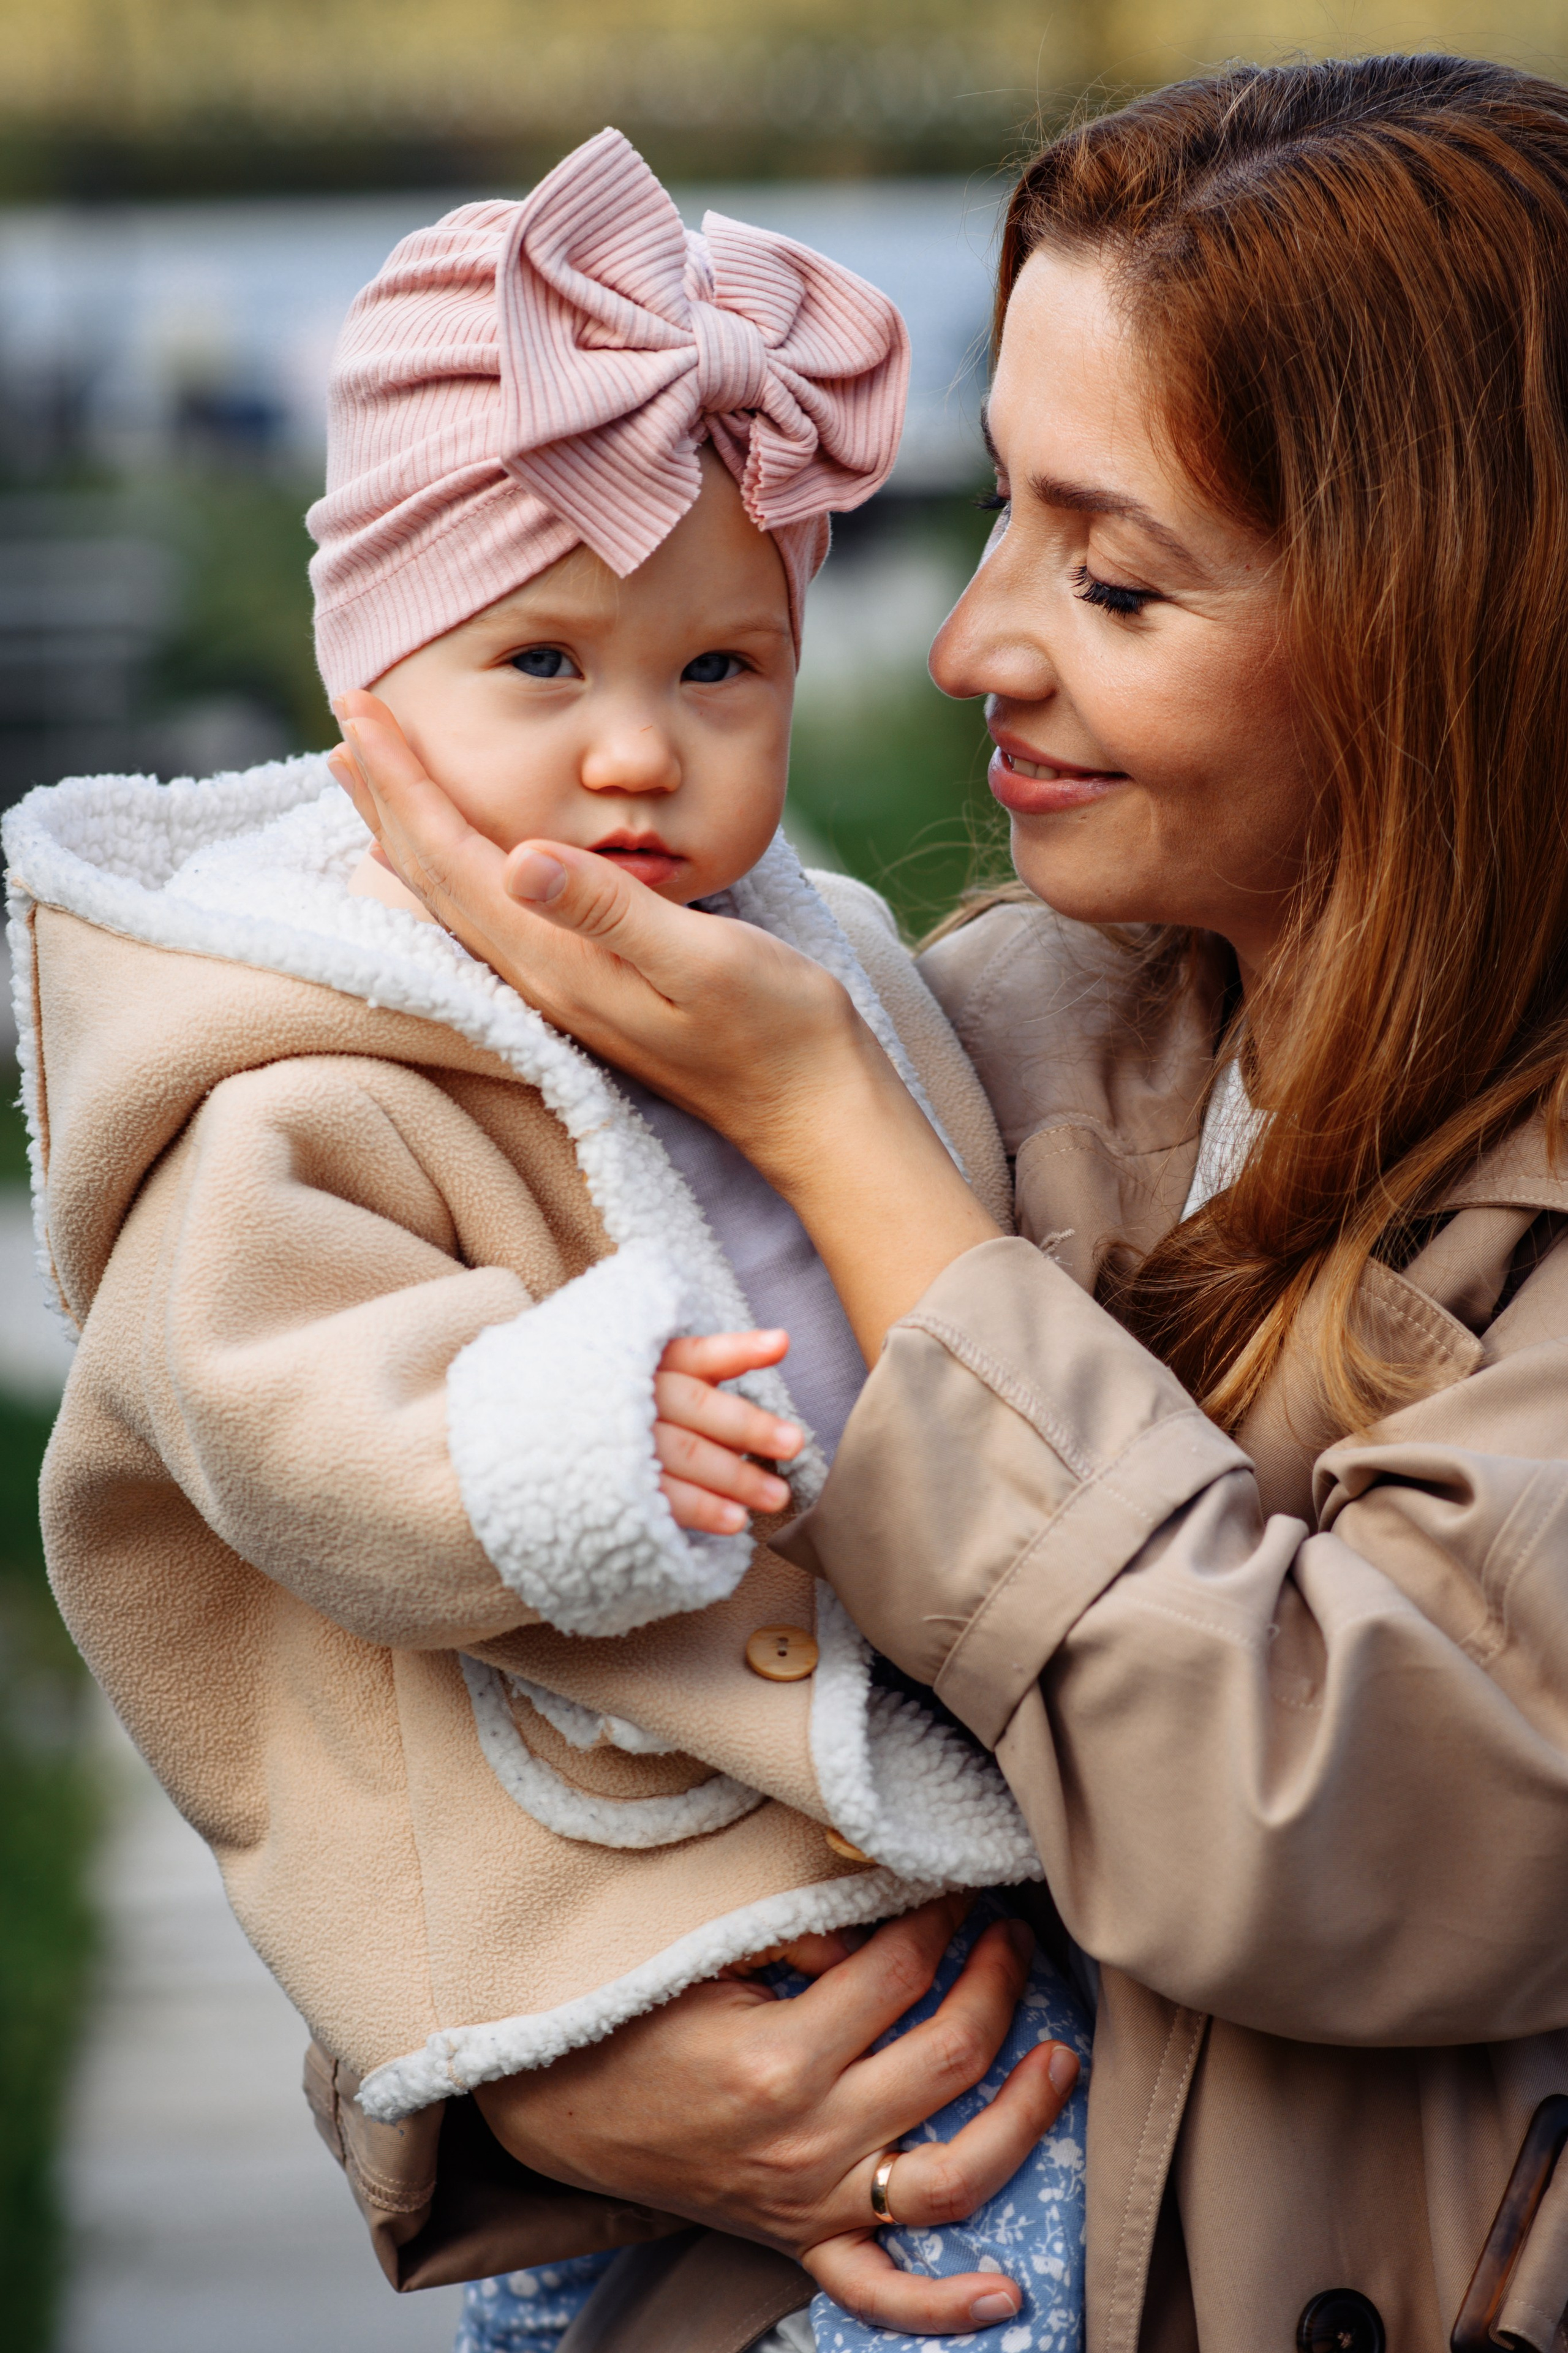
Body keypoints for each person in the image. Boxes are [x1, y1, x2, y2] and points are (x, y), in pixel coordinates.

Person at [326, 50, 1568, 2353]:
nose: (974, 640)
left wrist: (836, 1148)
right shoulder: (964, 1020)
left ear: (1452, 636)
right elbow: (463, 1631)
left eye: (1113, 574)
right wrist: (561, 2075)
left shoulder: (852, 1082)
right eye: (997, 511)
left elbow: (1337, 1822)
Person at [3, 129, 1090, 2353]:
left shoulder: (826, 958)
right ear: (367, 676)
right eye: (541, 662)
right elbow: (267, 1390)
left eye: (723, 673)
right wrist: (566, 1440)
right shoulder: (305, 1043)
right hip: (605, 1913)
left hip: (878, 1844)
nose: (635, 756)